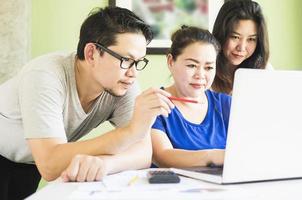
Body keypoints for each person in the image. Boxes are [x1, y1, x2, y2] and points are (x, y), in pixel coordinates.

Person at [0, 6, 175, 200]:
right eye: (126, 60)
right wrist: (130, 132)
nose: (133, 73)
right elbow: (50, 164)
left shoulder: (123, 82)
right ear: (91, 53)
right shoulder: (44, 75)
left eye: (139, 62)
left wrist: (106, 164)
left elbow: (143, 153)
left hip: (29, 162)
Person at [151, 26, 231, 168]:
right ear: (171, 62)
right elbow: (162, 156)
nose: (200, 75)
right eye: (192, 65)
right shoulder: (155, 103)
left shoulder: (227, 104)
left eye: (208, 67)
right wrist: (213, 156)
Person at [211, 0, 270, 94]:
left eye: (251, 39)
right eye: (235, 37)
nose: (242, 48)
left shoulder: (264, 70)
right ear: (221, 34)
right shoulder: (205, 68)